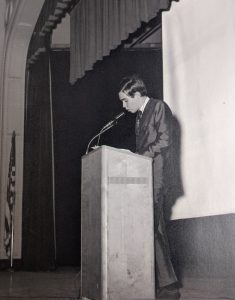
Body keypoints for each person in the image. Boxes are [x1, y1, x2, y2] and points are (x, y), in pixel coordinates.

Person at [118, 75, 180, 299]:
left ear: (137, 94)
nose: (124, 107)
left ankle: (167, 285)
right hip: (146, 176)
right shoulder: (139, 116)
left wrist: (136, 156)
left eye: (126, 101)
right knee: (155, 230)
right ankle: (166, 283)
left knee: (152, 229)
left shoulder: (158, 107)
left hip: (158, 177)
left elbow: (164, 141)